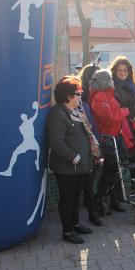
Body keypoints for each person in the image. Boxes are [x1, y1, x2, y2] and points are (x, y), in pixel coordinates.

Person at [47, 76, 94, 244]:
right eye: (78, 93)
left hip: (80, 165)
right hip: (67, 167)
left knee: (75, 197)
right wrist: (75, 157)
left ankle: (75, 224)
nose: (81, 96)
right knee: (67, 198)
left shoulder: (76, 111)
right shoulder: (58, 113)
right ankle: (67, 231)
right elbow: (56, 142)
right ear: (69, 95)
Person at [89, 70, 130, 216]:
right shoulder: (99, 97)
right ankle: (102, 200)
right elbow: (109, 117)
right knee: (108, 171)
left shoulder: (106, 95)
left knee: (113, 171)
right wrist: (124, 112)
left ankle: (111, 200)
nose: (113, 80)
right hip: (108, 138)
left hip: (114, 137)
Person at [111, 56, 135, 193]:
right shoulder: (112, 87)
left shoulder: (132, 85)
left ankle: (134, 185)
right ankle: (117, 191)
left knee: (134, 157)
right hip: (122, 127)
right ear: (114, 71)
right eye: (120, 70)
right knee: (120, 158)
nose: (123, 73)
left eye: (125, 70)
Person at [78, 64, 104, 227]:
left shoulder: (87, 104)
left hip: (93, 142)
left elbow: (93, 124)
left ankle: (92, 204)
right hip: (81, 147)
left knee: (91, 177)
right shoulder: (83, 99)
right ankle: (91, 205)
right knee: (86, 181)